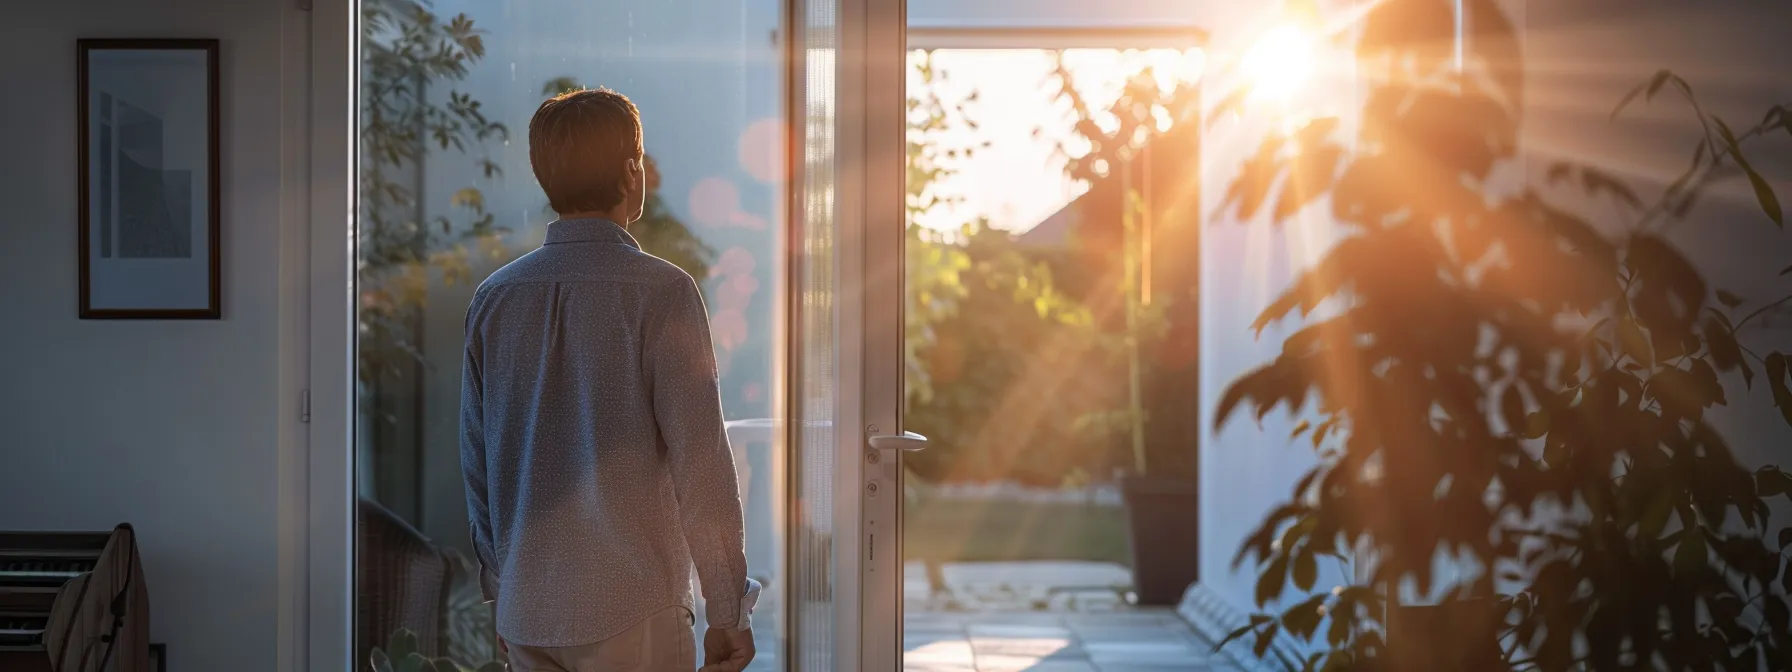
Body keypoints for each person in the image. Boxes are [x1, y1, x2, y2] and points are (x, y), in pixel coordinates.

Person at [459, 87, 758, 672]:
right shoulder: (663, 292)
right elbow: (702, 463)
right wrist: (728, 611)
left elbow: (478, 465)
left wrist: (505, 594)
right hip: (635, 611)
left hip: (529, 614)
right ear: (630, 172)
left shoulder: (492, 300)